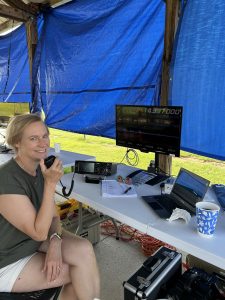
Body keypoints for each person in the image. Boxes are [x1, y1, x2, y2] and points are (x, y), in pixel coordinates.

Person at [0, 114, 100, 300]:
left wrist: (55, 242)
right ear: (17, 143)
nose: (43, 143)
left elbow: (53, 217)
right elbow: (38, 233)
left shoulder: (39, 169)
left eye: (45, 136)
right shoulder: (6, 179)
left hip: (32, 243)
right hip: (8, 259)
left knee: (85, 249)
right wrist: (50, 184)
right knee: (75, 271)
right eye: (33, 138)